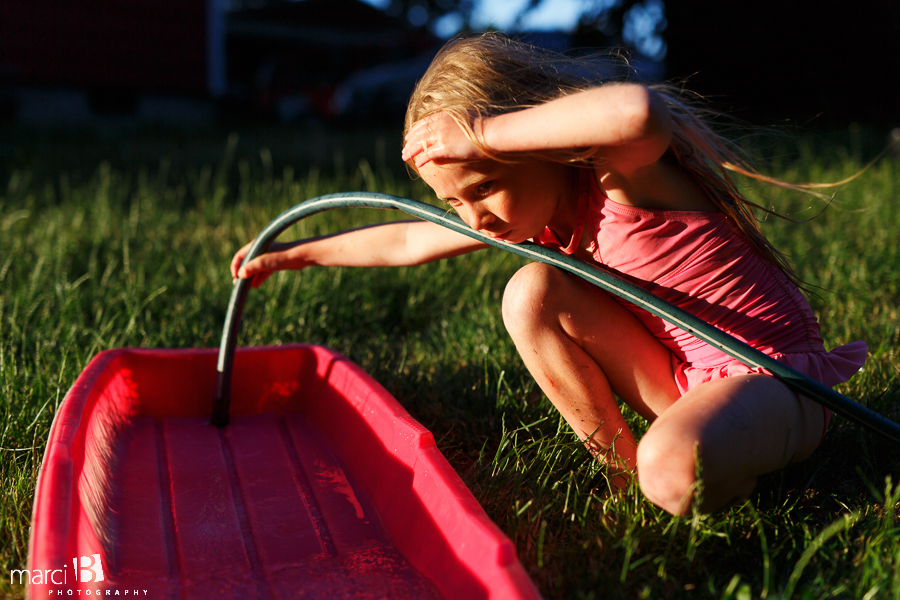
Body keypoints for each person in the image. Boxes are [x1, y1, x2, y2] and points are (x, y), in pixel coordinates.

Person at [231, 33, 866, 515]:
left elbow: (639, 113)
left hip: (776, 381)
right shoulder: (536, 221)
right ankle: (625, 479)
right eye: (456, 202)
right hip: (684, 383)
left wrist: (483, 132)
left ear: (530, 142)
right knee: (529, 291)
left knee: (672, 469)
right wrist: (298, 254)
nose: (474, 218)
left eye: (484, 185)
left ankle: (695, 471)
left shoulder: (624, 181)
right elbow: (405, 240)